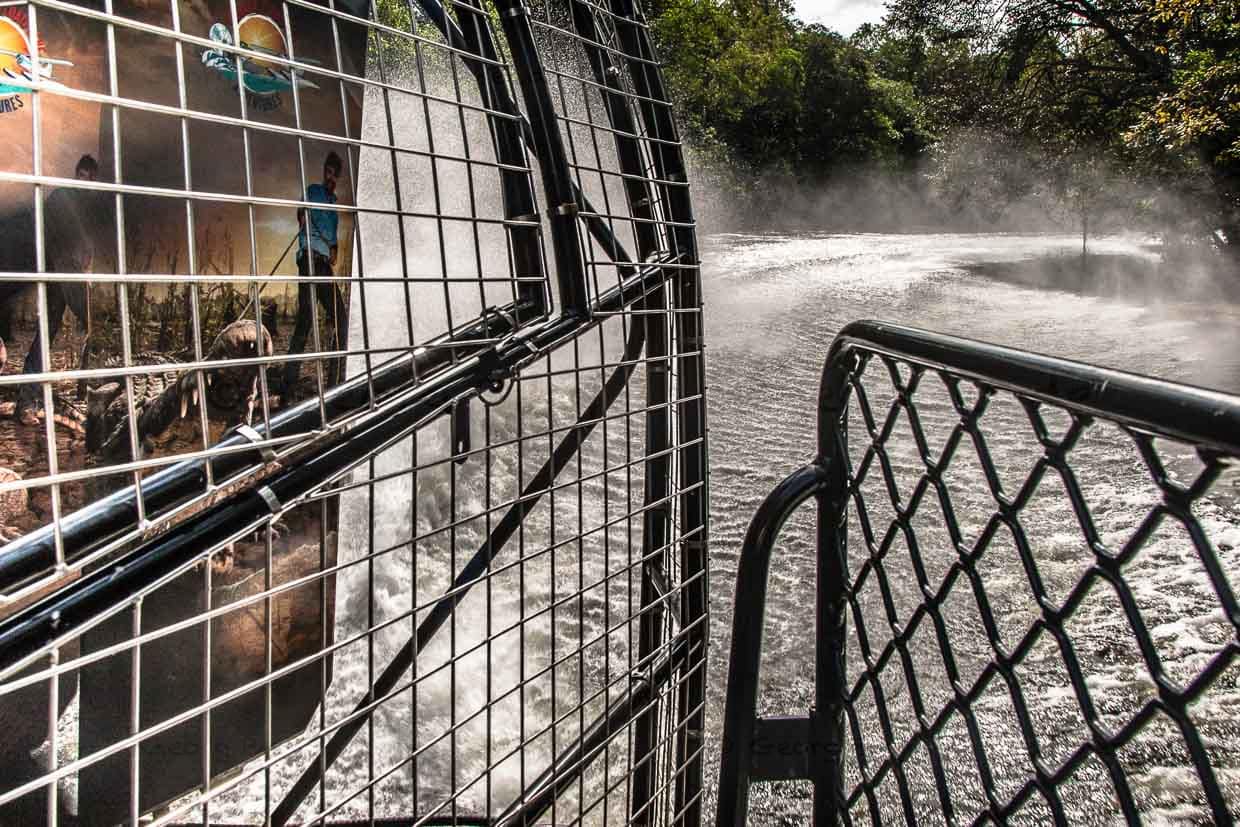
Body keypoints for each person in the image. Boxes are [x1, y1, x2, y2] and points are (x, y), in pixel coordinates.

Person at [13, 154, 100, 420]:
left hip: (70, 273)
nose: (83, 180)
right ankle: (29, 401)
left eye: (87, 177)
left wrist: (86, 270)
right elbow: (44, 231)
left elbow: (87, 246)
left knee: (60, 330)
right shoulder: (62, 199)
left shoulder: (88, 205)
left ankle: (36, 400)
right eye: (81, 175)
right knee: (93, 328)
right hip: (60, 271)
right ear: (77, 174)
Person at [283, 150, 347, 391]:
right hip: (309, 259)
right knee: (306, 319)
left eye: (335, 174)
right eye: (328, 172)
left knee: (340, 318)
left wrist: (334, 248)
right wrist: (304, 218)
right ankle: (288, 383)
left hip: (323, 264)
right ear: (324, 172)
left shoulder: (334, 207)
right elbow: (301, 215)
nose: (331, 177)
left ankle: (335, 384)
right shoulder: (313, 191)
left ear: (338, 177)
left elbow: (334, 245)